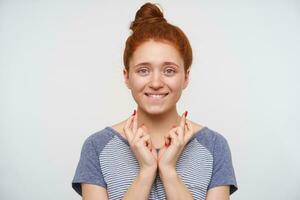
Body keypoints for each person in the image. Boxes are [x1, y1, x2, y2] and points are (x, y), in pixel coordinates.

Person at [72, 2, 238, 200]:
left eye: (169, 70)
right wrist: (146, 171)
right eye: (143, 70)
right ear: (127, 77)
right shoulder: (97, 147)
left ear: (185, 77)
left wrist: (168, 171)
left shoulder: (214, 145)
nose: (156, 83)